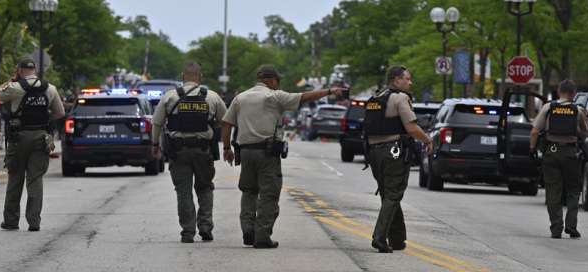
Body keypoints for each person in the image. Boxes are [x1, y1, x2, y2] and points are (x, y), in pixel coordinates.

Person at [221, 64, 343, 249]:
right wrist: (329, 91)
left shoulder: (240, 97)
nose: (278, 84)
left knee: (249, 191)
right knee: (269, 194)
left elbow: (226, 123)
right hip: (267, 153)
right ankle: (261, 235)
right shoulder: (274, 96)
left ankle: (248, 230)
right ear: (270, 80)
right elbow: (304, 97)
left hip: (245, 152)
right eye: (277, 81)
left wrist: (227, 148)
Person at [151, 62, 227, 243]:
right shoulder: (212, 97)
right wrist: (226, 145)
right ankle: (205, 227)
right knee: (205, 188)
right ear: (200, 78)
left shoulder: (170, 97)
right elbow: (226, 121)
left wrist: (155, 145)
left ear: (182, 76)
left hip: (178, 151)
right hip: (203, 150)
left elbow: (157, 123)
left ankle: (187, 231)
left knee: (183, 192)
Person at [364, 65, 433, 253]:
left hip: (373, 153)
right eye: (407, 79)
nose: (410, 82)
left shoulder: (377, 97)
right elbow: (411, 128)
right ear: (396, 80)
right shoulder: (401, 98)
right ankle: (379, 238)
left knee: (389, 195)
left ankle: (397, 239)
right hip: (393, 152)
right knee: (393, 195)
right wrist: (427, 140)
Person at [0, 58, 64, 232]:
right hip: (41, 136)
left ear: (19, 70)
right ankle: (34, 221)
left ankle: (11, 221)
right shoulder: (50, 88)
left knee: (15, 178)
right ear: (35, 70)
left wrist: (12, 79)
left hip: (19, 137)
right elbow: (60, 112)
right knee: (35, 179)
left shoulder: (15, 87)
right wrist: (44, 121)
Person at [530, 79, 588, 239]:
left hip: (551, 152)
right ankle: (571, 226)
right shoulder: (577, 110)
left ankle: (556, 228)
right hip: (571, 154)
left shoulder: (549, 107)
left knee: (553, 191)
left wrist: (532, 149)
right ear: (574, 94)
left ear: (558, 92)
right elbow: (585, 132)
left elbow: (535, 131)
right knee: (573, 190)